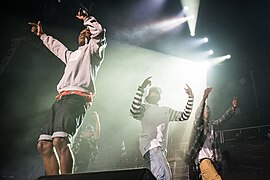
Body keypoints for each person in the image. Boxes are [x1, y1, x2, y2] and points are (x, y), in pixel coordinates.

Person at [28, 9, 107, 175]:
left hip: (77, 98)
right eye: (81, 32)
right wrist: (42, 35)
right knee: (44, 145)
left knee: (60, 140)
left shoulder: (94, 52)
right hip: (60, 99)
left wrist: (86, 19)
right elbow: (57, 48)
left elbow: (99, 32)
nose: (83, 33)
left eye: (86, 32)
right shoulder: (71, 55)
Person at [129, 76, 194, 180]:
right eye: (153, 91)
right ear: (148, 95)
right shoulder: (145, 108)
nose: (155, 93)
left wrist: (190, 97)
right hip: (151, 145)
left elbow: (185, 116)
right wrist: (141, 88)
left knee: (156, 176)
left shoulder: (166, 111)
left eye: (158, 92)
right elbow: (134, 110)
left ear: (160, 96)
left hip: (160, 149)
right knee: (165, 176)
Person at [183, 87, 238, 180]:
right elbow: (198, 114)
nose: (207, 110)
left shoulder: (212, 125)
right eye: (205, 109)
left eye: (208, 109)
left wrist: (232, 109)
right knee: (216, 179)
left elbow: (223, 119)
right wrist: (204, 98)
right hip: (203, 159)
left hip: (214, 160)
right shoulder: (198, 125)